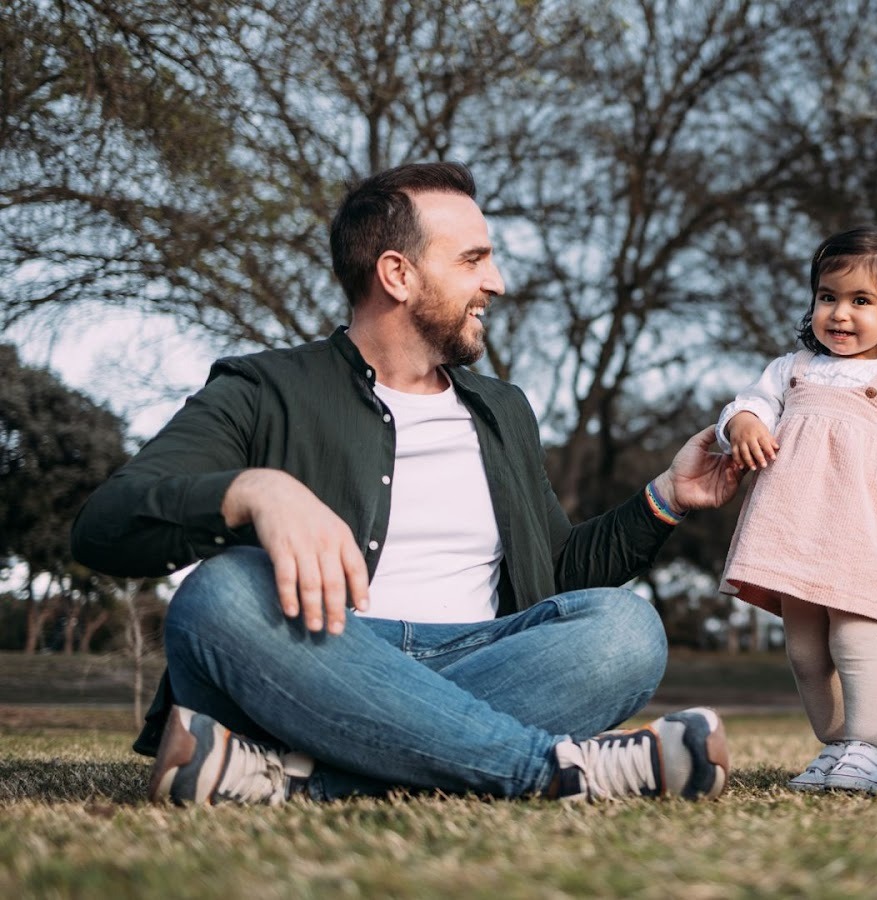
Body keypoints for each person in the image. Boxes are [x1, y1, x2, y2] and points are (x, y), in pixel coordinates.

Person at [71, 162, 742, 806]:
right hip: (314, 656)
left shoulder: (502, 410)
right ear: (397, 273)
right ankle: (551, 771)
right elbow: (105, 527)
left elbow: (558, 571)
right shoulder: (263, 388)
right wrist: (256, 490)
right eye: (473, 260)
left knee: (627, 629)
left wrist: (664, 499)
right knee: (220, 592)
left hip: (484, 657)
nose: (497, 283)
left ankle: (300, 779)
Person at [717, 227, 877, 794]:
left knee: (855, 643)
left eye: (861, 301)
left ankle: (866, 752)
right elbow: (748, 402)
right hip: (794, 534)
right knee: (803, 652)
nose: (840, 314)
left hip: (865, 540)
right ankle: (837, 746)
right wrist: (743, 422)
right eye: (828, 297)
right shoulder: (791, 369)